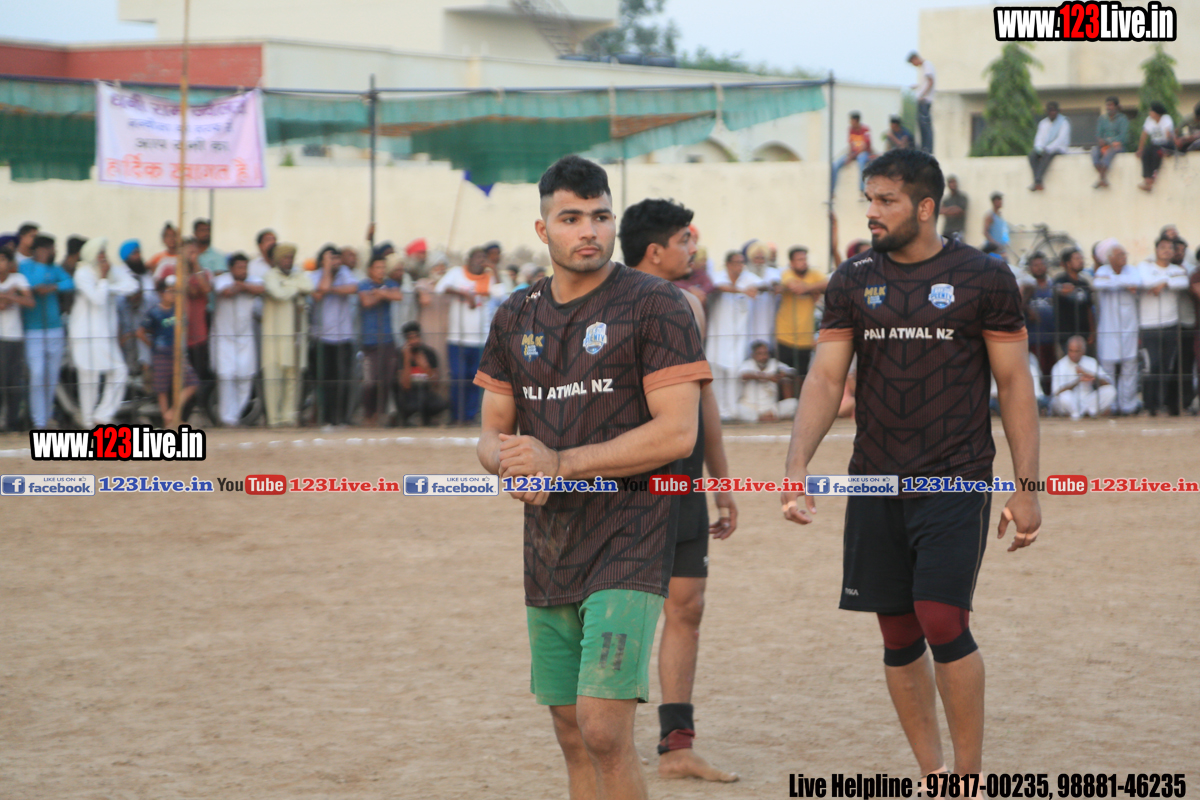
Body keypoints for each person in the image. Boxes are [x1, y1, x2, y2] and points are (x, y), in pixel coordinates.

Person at [781, 148, 1042, 781]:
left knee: (942, 618)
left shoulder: (984, 276)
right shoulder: (851, 279)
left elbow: (1014, 383)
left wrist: (1028, 487)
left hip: (956, 474)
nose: (872, 212)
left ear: (926, 207)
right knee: (897, 633)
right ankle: (934, 778)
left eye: (886, 200)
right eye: (868, 200)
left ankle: (969, 780)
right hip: (875, 478)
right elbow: (825, 378)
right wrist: (796, 464)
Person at [474, 155, 710, 800]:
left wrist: (560, 463)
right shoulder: (515, 315)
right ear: (542, 229)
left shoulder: (655, 304)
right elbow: (490, 434)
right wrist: (510, 462)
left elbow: (678, 432)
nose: (589, 231)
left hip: (631, 536)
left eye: (601, 217)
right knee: (572, 732)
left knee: (604, 730)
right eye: (571, 218)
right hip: (549, 545)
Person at [620, 197, 739, 783]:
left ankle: (677, 747)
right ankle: (611, 738)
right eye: (684, 240)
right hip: (623, 489)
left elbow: (704, 395)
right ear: (654, 250)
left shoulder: (690, 305)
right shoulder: (606, 308)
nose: (693, 248)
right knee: (623, 613)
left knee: (687, 606)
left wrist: (722, 483)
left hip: (683, 482)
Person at [70, 238, 139, 428]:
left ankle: (102, 416)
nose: (103, 256)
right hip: (84, 335)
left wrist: (108, 286)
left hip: (106, 335)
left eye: (104, 252)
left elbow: (132, 285)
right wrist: (103, 280)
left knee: (120, 371)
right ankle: (88, 424)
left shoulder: (111, 270)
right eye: (100, 252)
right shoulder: (82, 273)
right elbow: (97, 299)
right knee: (89, 379)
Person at [437, 247, 505, 424]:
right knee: (458, 377)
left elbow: (501, 295)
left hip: (480, 339)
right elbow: (440, 288)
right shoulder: (456, 273)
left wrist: (494, 269)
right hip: (457, 338)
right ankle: (455, 416)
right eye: (477, 257)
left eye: (484, 258)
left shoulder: (489, 278)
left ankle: (470, 416)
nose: (480, 261)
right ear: (469, 259)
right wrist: (463, 293)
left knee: (476, 379)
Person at [19, 234, 73, 429]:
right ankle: (38, 421)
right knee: (37, 374)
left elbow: (70, 283)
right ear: (41, 249)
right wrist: (37, 287)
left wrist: (52, 287)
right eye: (51, 248)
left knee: (51, 375)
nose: (54, 251)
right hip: (33, 330)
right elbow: (26, 284)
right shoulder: (25, 267)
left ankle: (47, 416)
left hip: (55, 328)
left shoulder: (55, 268)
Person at [261, 243, 313, 427]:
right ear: (277, 259)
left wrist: (288, 285)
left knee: (293, 377)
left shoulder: (298, 274)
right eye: (285, 258)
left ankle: (288, 417)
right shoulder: (270, 275)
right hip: (274, 335)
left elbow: (309, 286)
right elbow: (278, 293)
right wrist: (295, 288)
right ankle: (273, 419)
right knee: (273, 378)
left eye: (291, 258)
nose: (288, 261)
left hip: (296, 335)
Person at [137, 275, 199, 429]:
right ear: (161, 293)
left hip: (177, 351)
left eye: (175, 291)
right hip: (161, 352)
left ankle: (172, 413)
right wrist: (152, 344)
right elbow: (140, 332)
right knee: (162, 388)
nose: (173, 295)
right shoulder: (154, 312)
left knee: (192, 382)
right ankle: (168, 422)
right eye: (169, 291)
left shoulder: (178, 310)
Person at [1136, 235, 1189, 415]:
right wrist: (1166, 281)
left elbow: (1183, 282)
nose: (1167, 250)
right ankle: (1149, 405)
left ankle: (1161, 404)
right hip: (1149, 325)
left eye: (1170, 248)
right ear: (1156, 250)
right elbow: (1145, 282)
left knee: (1167, 366)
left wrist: (1164, 282)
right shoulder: (1145, 267)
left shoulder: (1177, 270)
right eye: (1163, 247)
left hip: (1170, 324)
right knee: (1152, 366)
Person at [211, 253, 264, 426]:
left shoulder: (253, 280)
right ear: (231, 268)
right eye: (239, 267)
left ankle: (235, 416)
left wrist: (242, 286)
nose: (243, 271)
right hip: (224, 337)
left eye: (245, 267)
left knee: (245, 377)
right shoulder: (222, 279)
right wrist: (243, 287)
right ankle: (227, 418)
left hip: (245, 337)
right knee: (226, 377)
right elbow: (225, 292)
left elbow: (261, 289)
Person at [707, 251, 760, 420]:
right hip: (718, 335)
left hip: (739, 337)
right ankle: (719, 412)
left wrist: (757, 289)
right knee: (717, 373)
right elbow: (717, 287)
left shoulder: (748, 278)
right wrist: (742, 291)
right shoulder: (717, 276)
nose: (740, 266)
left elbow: (765, 284)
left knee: (734, 373)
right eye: (737, 262)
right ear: (728, 264)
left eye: (742, 262)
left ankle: (731, 411)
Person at [311, 245, 358, 427]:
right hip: (323, 338)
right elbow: (320, 289)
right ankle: (327, 419)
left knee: (344, 380)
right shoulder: (315, 275)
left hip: (344, 337)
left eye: (337, 258)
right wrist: (327, 270)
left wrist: (331, 290)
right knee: (326, 381)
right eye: (331, 259)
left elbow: (353, 287)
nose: (336, 262)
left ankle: (342, 418)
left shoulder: (345, 272)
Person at [1092, 241, 1141, 415]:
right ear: (1110, 258)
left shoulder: (1132, 270)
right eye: (1120, 255)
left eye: (1124, 254)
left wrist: (1114, 282)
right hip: (1108, 327)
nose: (1123, 257)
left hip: (1129, 327)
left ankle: (1128, 406)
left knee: (1130, 366)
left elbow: (1137, 281)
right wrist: (1124, 284)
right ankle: (1110, 406)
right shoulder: (1102, 271)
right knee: (1108, 367)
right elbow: (1098, 284)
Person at [775, 245, 827, 396]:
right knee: (785, 376)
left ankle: (800, 403)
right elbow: (794, 287)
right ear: (791, 262)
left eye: (804, 259)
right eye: (799, 259)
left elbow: (829, 284)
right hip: (785, 335)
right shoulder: (787, 273)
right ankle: (787, 404)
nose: (803, 262)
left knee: (802, 375)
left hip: (805, 337)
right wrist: (814, 289)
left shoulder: (814, 274)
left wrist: (808, 287)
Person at [357, 255, 403, 426]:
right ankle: (368, 414)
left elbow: (398, 296)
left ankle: (379, 414)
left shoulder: (390, 283)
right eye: (377, 268)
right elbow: (366, 301)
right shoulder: (364, 284)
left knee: (387, 379)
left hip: (387, 339)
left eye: (383, 268)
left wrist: (380, 293)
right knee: (370, 381)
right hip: (370, 341)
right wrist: (383, 295)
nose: (381, 271)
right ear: (370, 270)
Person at [0, 245, 34, 431]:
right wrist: (12, 294)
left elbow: (30, 301)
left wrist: (7, 297)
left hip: (15, 337)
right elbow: (2, 307)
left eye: (3, 259)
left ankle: (12, 423)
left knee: (14, 382)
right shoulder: (15, 284)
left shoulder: (18, 278)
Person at [1051, 335, 1115, 419]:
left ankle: (1088, 413)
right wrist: (1078, 381)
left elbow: (1108, 382)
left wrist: (1093, 376)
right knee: (1064, 396)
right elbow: (1056, 392)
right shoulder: (1059, 365)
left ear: (1083, 351)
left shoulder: (1091, 362)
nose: (1073, 354)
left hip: (1088, 401)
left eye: (1077, 351)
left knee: (1110, 390)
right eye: (1071, 351)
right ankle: (1076, 414)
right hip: (1070, 401)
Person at [398, 321, 448, 427]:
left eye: (416, 337)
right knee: (409, 404)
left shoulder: (429, 353)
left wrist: (425, 367)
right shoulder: (401, 354)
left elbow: (435, 383)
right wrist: (407, 361)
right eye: (410, 338)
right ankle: (410, 419)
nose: (414, 341)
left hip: (426, 392)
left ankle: (427, 419)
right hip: (409, 395)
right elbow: (405, 386)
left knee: (440, 404)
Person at [1020, 252, 1057, 393]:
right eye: (1035, 265)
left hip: (1052, 338)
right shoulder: (1027, 288)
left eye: (1042, 264)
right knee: (1036, 371)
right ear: (1030, 268)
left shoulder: (1053, 286)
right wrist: (1028, 309)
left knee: (1051, 370)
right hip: (1033, 339)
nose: (1039, 267)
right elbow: (1018, 305)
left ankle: (1050, 397)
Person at [737, 341, 797, 422]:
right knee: (735, 408)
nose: (764, 356)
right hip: (750, 407)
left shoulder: (774, 363)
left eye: (765, 353)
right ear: (753, 355)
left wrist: (784, 374)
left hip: (771, 409)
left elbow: (793, 372)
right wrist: (767, 377)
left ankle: (767, 417)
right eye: (760, 354)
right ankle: (760, 418)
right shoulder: (748, 363)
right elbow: (743, 375)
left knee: (794, 403)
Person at [1052, 247, 1095, 355]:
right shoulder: (1060, 280)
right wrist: (1062, 290)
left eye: (1081, 258)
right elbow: (1056, 291)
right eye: (1076, 259)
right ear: (1068, 263)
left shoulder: (1084, 283)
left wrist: (1092, 331)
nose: (1081, 261)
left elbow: (1088, 309)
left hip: (1084, 333)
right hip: (1066, 335)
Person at [744, 240, 781, 349]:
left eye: (762, 258)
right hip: (749, 318)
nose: (759, 262)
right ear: (751, 259)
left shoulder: (773, 273)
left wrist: (761, 288)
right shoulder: (745, 274)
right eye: (756, 258)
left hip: (767, 316)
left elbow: (775, 283)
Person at [1028, 102, 1070, 192]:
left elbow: (1061, 139)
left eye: (1054, 111)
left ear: (1058, 111)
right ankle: (1037, 181)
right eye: (1050, 111)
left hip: (1059, 148)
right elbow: (1039, 138)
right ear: (1047, 112)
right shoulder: (1043, 123)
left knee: (1047, 155)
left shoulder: (1064, 122)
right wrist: (1039, 148)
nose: (1052, 113)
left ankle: (1038, 181)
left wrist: (1047, 149)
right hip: (1044, 149)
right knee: (1032, 155)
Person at [831, 112, 874, 196]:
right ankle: (831, 191)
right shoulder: (850, 129)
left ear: (856, 120)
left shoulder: (865, 129)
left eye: (851, 120)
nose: (850, 122)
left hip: (863, 153)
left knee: (861, 162)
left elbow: (864, 146)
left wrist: (852, 156)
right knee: (835, 164)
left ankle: (862, 189)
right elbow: (850, 144)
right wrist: (849, 155)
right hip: (853, 153)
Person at [1092, 97, 1130, 188]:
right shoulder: (1102, 119)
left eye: (1111, 105)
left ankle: (1101, 179)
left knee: (1111, 151)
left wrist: (1110, 141)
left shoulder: (1123, 119)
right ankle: (1103, 178)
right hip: (1104, 146)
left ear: (1116, 106)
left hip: (1118, 146)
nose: (1108, 107)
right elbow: (1099, 135)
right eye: (1107, 105)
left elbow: (1124, 137)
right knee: (1094, 151)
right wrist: (1102, 141)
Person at [1137, 102, 1175, 192]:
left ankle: (1152, 180)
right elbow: (1144, 135)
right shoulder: (1149, 120)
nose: (1149, 113)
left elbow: (1168, 135)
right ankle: (1147, 179)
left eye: (1151, 111)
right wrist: (1140, 149)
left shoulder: (1166, 119)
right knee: (1146, 153)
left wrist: (1168, 150)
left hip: (1165, 143)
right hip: (1154, 144)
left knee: (1156, 154)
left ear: (1156, 112)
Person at [907, 52, 935, 153]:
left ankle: (928, 149)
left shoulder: (927, 65)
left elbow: (930, 82)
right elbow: (925, 83)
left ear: (915, 59)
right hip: (923, 99)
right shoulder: (924, 68)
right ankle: (924, 148)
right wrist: (917, 88)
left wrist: (922, 95)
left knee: (925, 125)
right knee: (922, 125)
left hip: (925, 100)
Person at [982, 192, 1009, 259]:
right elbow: (985, 232)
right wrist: (995, 244)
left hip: (1001, 249)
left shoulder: (999, 216)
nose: (1001, 202)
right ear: (994, 202)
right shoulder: (990, 216)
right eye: (999, 200)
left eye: (1001, 199)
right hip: (993, 250)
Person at [940, 175, 967, 241]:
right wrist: (952, 209)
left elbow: (959, 211)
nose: (952, 184)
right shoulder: (946, 200)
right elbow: (940, 211)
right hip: (947, 230)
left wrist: (946, 210)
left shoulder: (962, 198)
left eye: (954, 182)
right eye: (950, 182)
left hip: (957, 230)